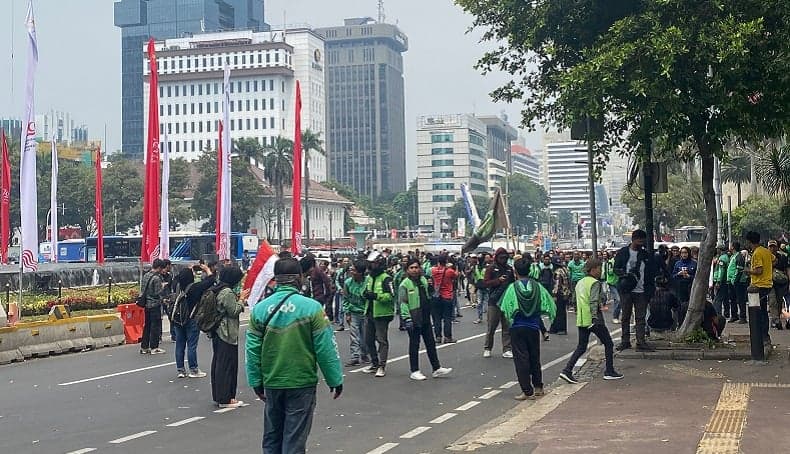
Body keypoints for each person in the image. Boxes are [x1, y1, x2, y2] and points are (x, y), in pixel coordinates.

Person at [246, 258, 343, 454]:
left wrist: (256, 381)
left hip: (272, 382)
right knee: (294, 439)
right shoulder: (312, 308)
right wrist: (335, 379)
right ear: (299, 278)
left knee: (272, 437)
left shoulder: (260, 309)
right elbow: (326, 348)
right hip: (301, 382)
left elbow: (252, 350)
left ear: (276, 279)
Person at [500, 257, 556, 400]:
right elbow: (548, 303)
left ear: (515, 271)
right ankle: (538, 387)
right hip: (533, 327)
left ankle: (527, 390)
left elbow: (505, 308)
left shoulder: (512, 288)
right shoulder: (537, 286)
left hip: (517, 327)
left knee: (521, 359)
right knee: (534, 357)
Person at [559, 258, 623, 384]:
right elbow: (594, 301)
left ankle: (567, 370)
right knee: (608, 344)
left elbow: (575, 300)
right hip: (594, 320)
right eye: (599, 269)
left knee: (581, 346)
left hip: (582, 319)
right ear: (593, 269)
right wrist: (594, 316)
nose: (600, 272)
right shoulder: (595, 283)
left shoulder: (580, 283)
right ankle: (609, 371)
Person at [398, 257, 453, 381]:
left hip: (425, 316)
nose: (414, 270)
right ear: (407, 270)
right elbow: (402, 303)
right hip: (413, 317)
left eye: (416, 267)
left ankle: (436, 368)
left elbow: (429, 295)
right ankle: (414, 370)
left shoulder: (423, 280)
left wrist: (430, 287)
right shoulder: (405, 284)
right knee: (414, 344)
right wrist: (407, 319)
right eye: (411, 268)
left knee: (430, 343)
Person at [614, 229, 659, 352]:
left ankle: (641, 341)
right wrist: (625, 275)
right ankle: (625, 341)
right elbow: (616, 269)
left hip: (642, 290)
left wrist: (650, 289)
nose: (641, 243)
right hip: (626, 289)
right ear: (633, 240)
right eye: (639, 241)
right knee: (626, 316)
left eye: (642, 241)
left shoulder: (645, 255)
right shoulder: (623, 252)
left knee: (640, 317)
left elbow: (651, 272)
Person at [210, 265, 248, 408]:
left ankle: (219, 395)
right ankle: (226, 398)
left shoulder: (218, 289)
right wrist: (242, 299)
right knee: (227, 366)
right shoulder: (227, 292)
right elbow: (234, 311)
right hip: (226, 333)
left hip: (218, 332)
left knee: (219, 364)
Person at [172, 264, 215, 378]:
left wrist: (187, 270)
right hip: (191, 319)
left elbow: (177, 277)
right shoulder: (195, 288)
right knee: (191, 345)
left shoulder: (176, 285)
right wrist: (207, 269)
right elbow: (211, 280)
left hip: (178, 319)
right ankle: (193, 370)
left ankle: (181, 370)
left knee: (179, 345)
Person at [362, 251, 396, 377]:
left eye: (374, 264)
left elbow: (391, 295)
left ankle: (382, 365)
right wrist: (365, 294)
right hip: (369, 311)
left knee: (382, 340)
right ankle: (374, 363)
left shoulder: (386, 278)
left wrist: (377, 296)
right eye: (370, 264)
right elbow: (365, 290)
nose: (371, 266)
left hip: (382, 314)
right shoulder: (370, 277)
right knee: (368, 340)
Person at [480, 248, 515, 358]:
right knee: (491, 327)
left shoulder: (509, 269)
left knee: (507, 326)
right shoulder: (491, 268)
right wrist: (498, 281)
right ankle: (487, 347)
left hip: (506, 301)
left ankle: (507, 349)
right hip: (494, 301)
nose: (503, 260)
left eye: (505, 257)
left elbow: (513, 284)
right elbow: (485, 283)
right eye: (501, 257)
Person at [745, 231, 773, 343]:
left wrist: (748, 271)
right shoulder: (766, 251)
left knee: (759, 312)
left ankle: (763, 336)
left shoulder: (757, 253)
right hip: (768, 283)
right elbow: (774, 260)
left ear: (749, 241)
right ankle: (764, 335)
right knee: (762, 311)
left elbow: (759, 270)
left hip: (759, 285)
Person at [342, 260, 370, 366]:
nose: (351, 271)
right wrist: (347, 313)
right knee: (354, 335)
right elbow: (346, 298)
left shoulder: (368, 282)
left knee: (365, 336)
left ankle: (365, 354)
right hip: (353, 312)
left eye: (354, 270)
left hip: (365, 312)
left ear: (360, 272)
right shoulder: (348, 282)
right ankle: (355, 356)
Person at [140, 259, 166, 355]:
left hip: (146, 304)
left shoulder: (146, 275)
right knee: (155, 326)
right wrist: (162, 287)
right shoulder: (157, 278)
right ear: (159, 267)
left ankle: (144, 347)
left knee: (147, 326)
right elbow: (157, 293)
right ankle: (154, 347)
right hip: (154, 305)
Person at [431, 254, 459, 343]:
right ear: (446, 261)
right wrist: (456, 267)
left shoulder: (433, 270)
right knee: (447, 318)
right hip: (447, 296)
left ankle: (438, 337)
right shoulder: (449, 271)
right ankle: (448, 337)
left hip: (436, 296)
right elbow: (456, 276)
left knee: (437, 318)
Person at [300, 254, 334, 322]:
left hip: (318, 298)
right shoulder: (306, 274)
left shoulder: (318, 272)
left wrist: (326, 299)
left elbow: (327, 284)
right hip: (310, 298)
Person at [768, 240, 789, 329]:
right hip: (770, 282)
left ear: (777, 247)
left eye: (774, 246)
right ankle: (775, 320)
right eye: (770, 247)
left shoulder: (783, 257)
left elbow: (787, 269)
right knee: (772, 301)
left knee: (780, 301)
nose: (772, 248)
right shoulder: (766, 257)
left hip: (781, 283)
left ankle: (778, 319)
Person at [727, 242, 749, 324]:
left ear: (733, 247)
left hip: (738, 282)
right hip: (731, 281)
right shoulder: (733, 256)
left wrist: (734, 280)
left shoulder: (739, 256)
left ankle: (743, 317)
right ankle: (734, 315)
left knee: (740, 299)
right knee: (732, 299)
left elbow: (739, 270)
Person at [550, 256, 570, 335]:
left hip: (560, 294)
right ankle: (554, 328)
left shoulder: (557, 272)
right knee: (560, 311)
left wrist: (554, 295)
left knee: (559, 312)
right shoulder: (565, 270)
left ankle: (561, 329)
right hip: (566, 293)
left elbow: (557, 285)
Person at [712, 246, 731, 317]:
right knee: (725, 298)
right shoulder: (728, 257)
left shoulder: (722, 258)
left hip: (722, 280)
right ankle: (727, 313)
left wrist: (718, 281)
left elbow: (721, 271)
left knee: (718, 298)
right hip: (726, 280)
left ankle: (717, 313)